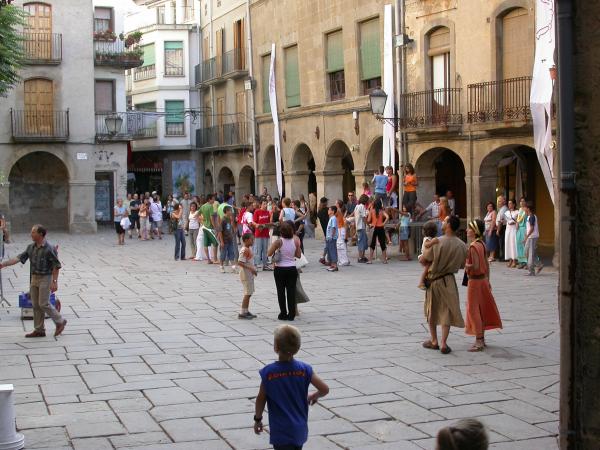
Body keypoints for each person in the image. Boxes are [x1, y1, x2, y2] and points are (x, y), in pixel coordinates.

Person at [254, 325, 329, 449]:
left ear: (276, 347)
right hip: (299, 431)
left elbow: (261, 399)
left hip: (280, 431)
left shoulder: (269, 373)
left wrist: (258, 419)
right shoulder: (305, 369)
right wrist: (313, 396)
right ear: (298, 348)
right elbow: (324, 389)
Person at [0, 224, 67, 337]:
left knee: (43, 303)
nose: (31, 234)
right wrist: (3, 264)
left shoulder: (49, 248)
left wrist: (54, 282)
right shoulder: (31, 247)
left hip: (46, 278)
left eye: (33, 232)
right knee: (35, 304)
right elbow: (18, 258)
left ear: (40, 234)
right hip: (34, 278)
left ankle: (60, 321)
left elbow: (57, 266)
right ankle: (39, 330)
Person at [421, 216, 468, 355]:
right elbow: (462, 265)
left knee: (432, 309)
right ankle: (443, 343)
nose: (442, 222)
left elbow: (425, 259)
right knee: (446, 311)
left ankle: (434, 340)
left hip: (434, 279)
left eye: (445, 221)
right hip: (449, 280)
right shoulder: (461, 244)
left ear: (448, 225)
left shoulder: (437, 242)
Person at [465, 219, 503, 351]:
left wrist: (465, 265)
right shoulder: (482, 244)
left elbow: (474, 266)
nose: (467, 230)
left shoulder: (473, 246)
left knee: (473, 309)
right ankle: (481, 338)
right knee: (480, 309)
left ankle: (479, 340)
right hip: (483, 281)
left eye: (469, 228)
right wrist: (488, 280)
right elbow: (486, 265)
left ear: (474, 231)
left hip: (475, 281)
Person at [268, 222, 302, 320]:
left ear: (281, 232)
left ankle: (283, 313)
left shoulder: (278, 242)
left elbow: (269, 253)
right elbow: (298, 255)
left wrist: (277, 250)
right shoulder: (295, 241)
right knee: (291, 292)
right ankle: (291, 314)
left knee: (281, 291)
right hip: (291, 268)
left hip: (280, 269)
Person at [237, 233, 258, 319]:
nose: (253, 241)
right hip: (245, 274)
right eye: (251, 239)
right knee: (247, 293)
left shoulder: (248, 249)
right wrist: (251, 269)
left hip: (249, 274)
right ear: (246, 240)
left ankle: (246, 310)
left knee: (249, 293)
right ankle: (242, 312)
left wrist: (252, 269)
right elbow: (240, 262)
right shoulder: (244, 250)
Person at [418, 220, 439, 290]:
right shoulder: (427, 239)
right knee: (427, 268)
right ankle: (421, 282)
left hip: (426, 256)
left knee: (428, 269)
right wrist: (433, 242)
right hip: (424, 256)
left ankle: (425, 280)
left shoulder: (430, 239)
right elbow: (427, 245)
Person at [524, 201, 544, 276]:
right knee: (527, 252)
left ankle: (531, 271)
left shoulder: (532, 216)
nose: (524, 209)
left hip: (532, 237)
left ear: (528, 209)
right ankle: (539, 265)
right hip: (530, 237)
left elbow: (532, 228)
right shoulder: (529, 216)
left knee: (530, 254)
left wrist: (526, 236)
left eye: (525, 207)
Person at [367, 199, 389, 264]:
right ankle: (384, 260)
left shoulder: (371, 210)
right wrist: (383, 223)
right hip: (381, 227)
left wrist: (369, 224)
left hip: (374, 227)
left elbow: (368, 220)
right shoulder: (381, 211)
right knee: (382, 243)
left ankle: (370, 260)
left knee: (372, 244)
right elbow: (387, 217)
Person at [200, 194, 219, 264]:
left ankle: (209, 259)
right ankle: (215, 259)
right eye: (213, 199)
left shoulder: (203, 206)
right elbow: (211, 218)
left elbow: (197, 214)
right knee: (215, 243)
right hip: (210, 228)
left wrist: (202, 221)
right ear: (209, 199)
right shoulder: (210, 206)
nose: (214, 200)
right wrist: (215, 227)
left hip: (204, 227)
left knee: (206, 244)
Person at [253, 200, 272, 271]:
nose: (265, 205)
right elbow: (253, 222)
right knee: (258, 250)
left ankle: (265, 265)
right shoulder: (257, 212)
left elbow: (269, 222)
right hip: (258, 234)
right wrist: (257, 225)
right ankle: (256, 265)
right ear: (260, 205)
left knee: (265, 250)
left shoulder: (268, 212)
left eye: (266, 204)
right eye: (264, 204)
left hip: (266, 234)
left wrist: (271, 224)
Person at [218, 206, 236, 273]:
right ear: (227, 211)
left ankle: (233, 267)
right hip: (224, 240)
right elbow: (220, 231)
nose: (231, 212)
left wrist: (232, 221)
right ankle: (221, 266)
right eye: (230, 211)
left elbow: (232, 229)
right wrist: (221, 241)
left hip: (230, 239)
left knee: (231, 253)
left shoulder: (229, 219)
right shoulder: (223, 220)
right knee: (223, 254)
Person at [504, 199, 519, 267]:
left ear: (514, 204)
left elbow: (519, 221)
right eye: (508, 203)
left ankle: (514, 260)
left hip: (514, 229)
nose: (509, 205)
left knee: (513, 243)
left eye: (510, 203)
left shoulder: (517, 212)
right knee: (508, 243)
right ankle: (510, 259)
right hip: (508, 229)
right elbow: (505, 221)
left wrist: (515, 222)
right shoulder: (506, 212)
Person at [354, 194, 369, 263]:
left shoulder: (357, 206)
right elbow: (364, 217)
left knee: (363, 241)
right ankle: (360, 257)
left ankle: (362, 256)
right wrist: (368, 224)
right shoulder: (362, 206)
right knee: (362, 242)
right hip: (361, 227)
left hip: (358, 227)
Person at [515, 197, 528, 269]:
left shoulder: (526, 210)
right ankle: (521, 261)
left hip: (524, 229)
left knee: (525, 245)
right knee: (519, 245)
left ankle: (527, 262)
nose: (522, 203)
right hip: (519, 229)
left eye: (523, 201)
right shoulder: (519, 210)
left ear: (525, 202)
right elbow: (518, 219)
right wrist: (517, 224)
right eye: (520, 201)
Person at [335, 201, 349, 266]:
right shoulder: (339, 211)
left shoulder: (338, 211)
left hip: (340, 229)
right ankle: (342, 260)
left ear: (338, 204)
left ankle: (344, 261)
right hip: (341, 228)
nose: (335, 204)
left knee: (340, 245)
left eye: (336, 203)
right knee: (341, 245)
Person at [325, 205, 339, 272]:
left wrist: (331, 236)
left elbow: (333, 228)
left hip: (332, 238)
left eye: (329, 210)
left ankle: (335, 265)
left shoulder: (333, 218)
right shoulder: (331, 218)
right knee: (330, 251)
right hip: (329, 237)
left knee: (333, 251)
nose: (328, 211)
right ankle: (332, 265)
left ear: (333, 211)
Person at [496, 195, 507, 261]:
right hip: (501, 227)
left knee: (501, 242)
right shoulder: (501, 209)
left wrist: (498, 230)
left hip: (502, 227)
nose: (498, 203)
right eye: (498, 201)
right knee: (501, 242)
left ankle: (502, 256)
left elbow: (501, 221)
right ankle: (501, 256)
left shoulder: (504, 209)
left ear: (504, 201)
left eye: (500, 201)